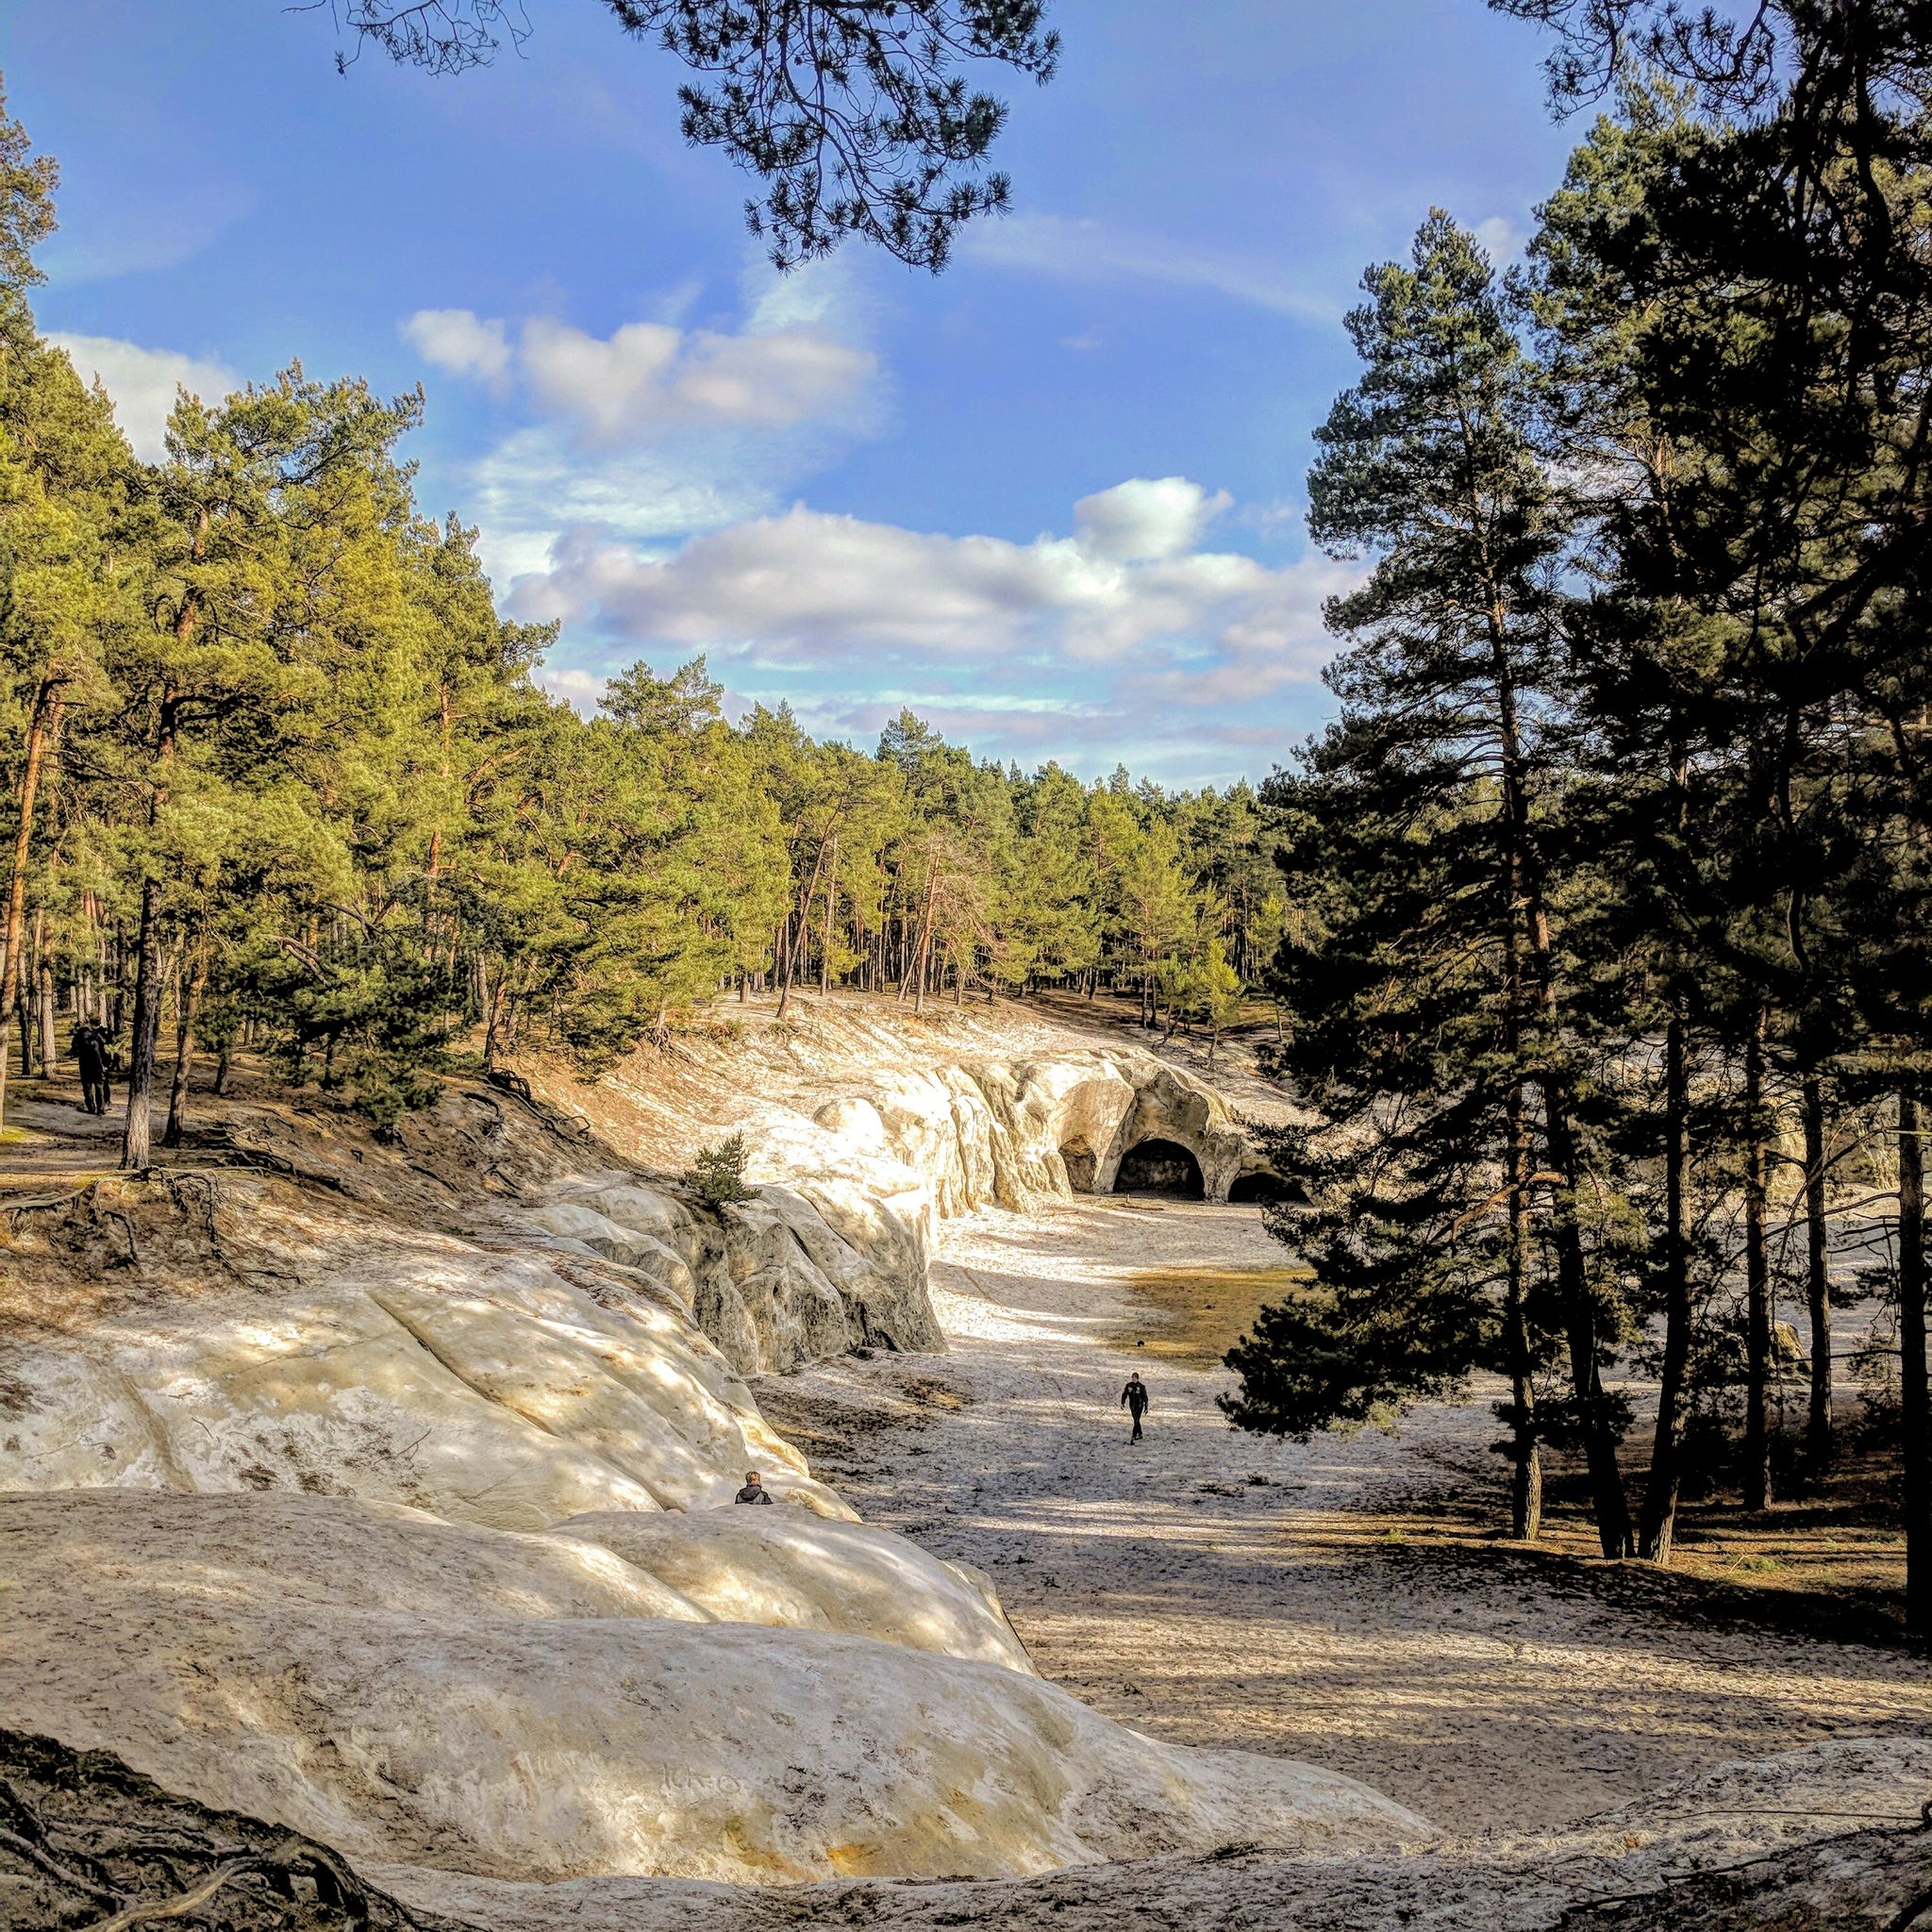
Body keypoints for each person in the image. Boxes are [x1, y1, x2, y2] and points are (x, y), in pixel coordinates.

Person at [73, 1024, 110, 1117]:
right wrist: (106, 1063)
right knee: (99, 1086)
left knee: (87, 1087)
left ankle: (91, 1108)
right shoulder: (96, 1036)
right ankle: (101, 1109)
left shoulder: (77, 1038)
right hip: (97, 1064)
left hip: (84, 1065)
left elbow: (74, 1051)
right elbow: (104, 1050)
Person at [1121, 1374, 1149, 1442]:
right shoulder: (1129, 1385)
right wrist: (1122, 1403)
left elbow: (1145, 1397)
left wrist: (1146, 1407)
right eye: (1132, 1378)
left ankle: (1133, 1436)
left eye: (1135, 1378)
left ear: (1137, 1378)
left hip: (1139, 1405)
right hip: (1132, 1405)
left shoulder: (1141, 1387)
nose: (1133, 1379)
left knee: (1136, 1420)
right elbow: (1124, 1394)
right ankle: (1140, 1433)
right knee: (1136, 1420)